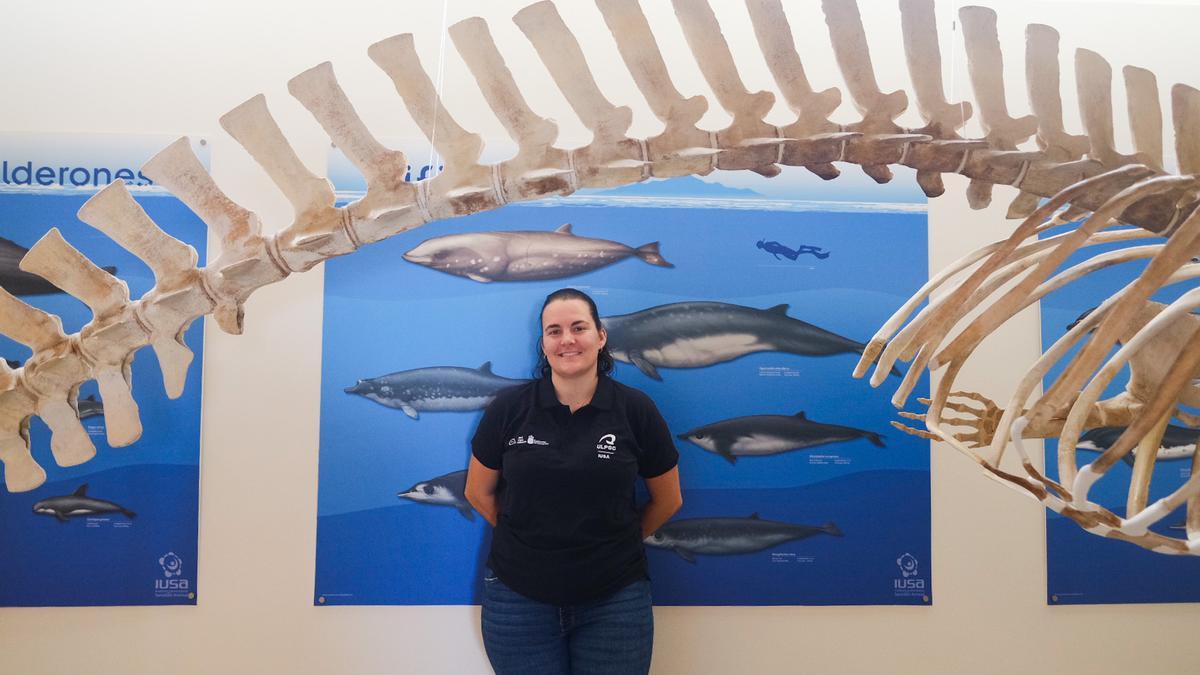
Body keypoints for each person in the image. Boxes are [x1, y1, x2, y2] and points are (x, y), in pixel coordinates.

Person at [465, 287, 683, 675]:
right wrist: (528, 537)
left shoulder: (636, 410)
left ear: (601, 337)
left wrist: (616, 544)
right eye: (554, 330)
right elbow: (477, 493)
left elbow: (668, 500)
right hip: (518, 599)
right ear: (543, 343)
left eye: (578, 327)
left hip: (616, 599)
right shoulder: (509, 409)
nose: (567, 339)